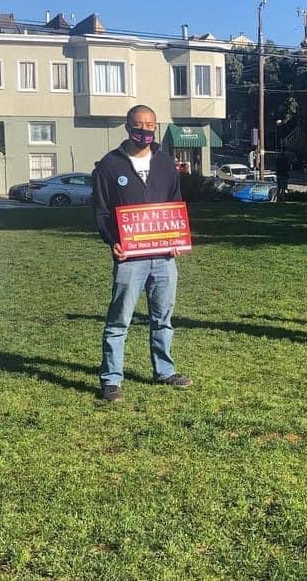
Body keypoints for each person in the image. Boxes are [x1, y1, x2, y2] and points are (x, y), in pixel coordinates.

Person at [92, 105, 193, 402]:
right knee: (119, 320)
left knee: (163, 318)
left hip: (164, 258)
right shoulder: (109, 165)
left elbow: (175, 203)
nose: (145, 130)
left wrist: (176, 238)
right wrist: (112, 240)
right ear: (127, 127)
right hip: (129, 258)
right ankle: (111, 379)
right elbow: (100, 211)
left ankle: (164, 370)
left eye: (150, 125)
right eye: (139, 125)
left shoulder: (165, 163)